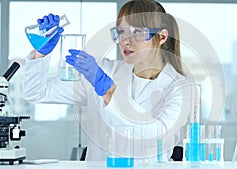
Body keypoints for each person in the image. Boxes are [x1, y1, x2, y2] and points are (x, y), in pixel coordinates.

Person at [23, 0, 193, 161]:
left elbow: (155, 135)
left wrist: (108, 90)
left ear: (162, 37)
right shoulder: (104, 71)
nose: (125, 41)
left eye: (137, 32)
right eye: (121, 32)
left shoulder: (181, 87)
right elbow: (36, 92)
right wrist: (41, 54)